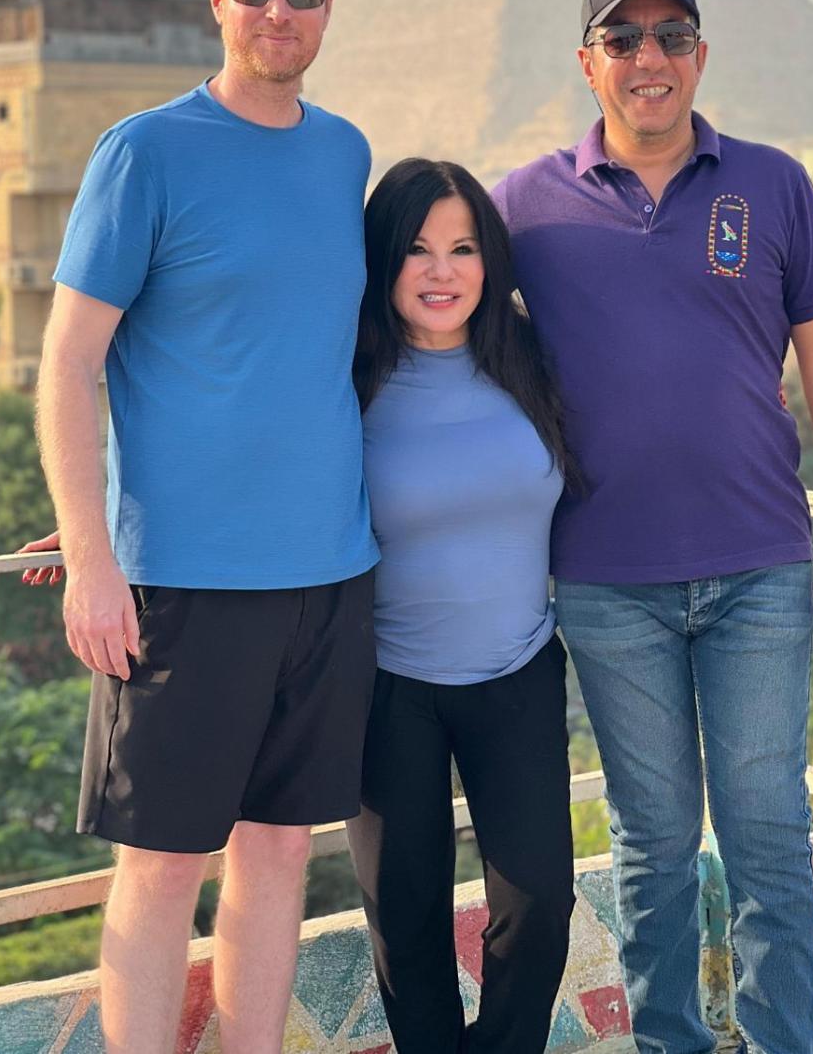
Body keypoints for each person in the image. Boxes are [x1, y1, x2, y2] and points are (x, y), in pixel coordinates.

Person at [491, 0, 813, 1054]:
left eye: (671, 35)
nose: (649, 58)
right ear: (588, 64)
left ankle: (781, 1041)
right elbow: (422, 332)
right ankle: (668, 1041)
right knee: (653, 844)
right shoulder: (523, 206)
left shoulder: (774, 184)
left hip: (760, 566)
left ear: (701, 53)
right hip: (606, 581)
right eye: (622, 39)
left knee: (768, 835)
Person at [26, 0, 378, 1054]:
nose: (280, 10)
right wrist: (91, 548)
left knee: (279, 848)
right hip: (185, 580)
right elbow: (68, 361)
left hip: (331, 573)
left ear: (327, 5)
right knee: (165, 862)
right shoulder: (145, 150)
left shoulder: (344, 152)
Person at [347, 157, 577, 1054]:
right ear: (383, 260)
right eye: (417, 249)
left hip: (518, 673)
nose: (441, 272)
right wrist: (112, 526)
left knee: (539, 904)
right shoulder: (345, 379)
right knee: (405, 920)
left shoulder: (532, 358)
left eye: (464, 248)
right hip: (387, 688)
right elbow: (249, 459)